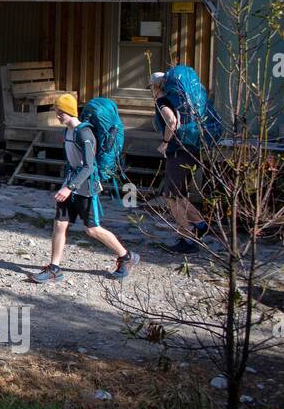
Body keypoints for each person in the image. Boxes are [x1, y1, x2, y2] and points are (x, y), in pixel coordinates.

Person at [29, 93, 139, 283]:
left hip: (85, 186)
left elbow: (89, 166)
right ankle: (54, 268)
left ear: (70, 111)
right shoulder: (68, 131)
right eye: (57, 111)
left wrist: (69, 188)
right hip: (71, 183)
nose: (57, 116)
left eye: (60, 112)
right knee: (60, 224)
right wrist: (67, 184)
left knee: (92, 229)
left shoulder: (84, 133)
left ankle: (127, 256)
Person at [151, 71, 209, 253]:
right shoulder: (182, 101)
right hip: (193, 149)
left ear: (156, 87)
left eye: (151, 87)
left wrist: (165, 143)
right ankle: (200, 224)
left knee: (171, 196)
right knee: (178, 193)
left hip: (178, 152)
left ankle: (188, 238)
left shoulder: (162, 101)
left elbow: (171, 121)